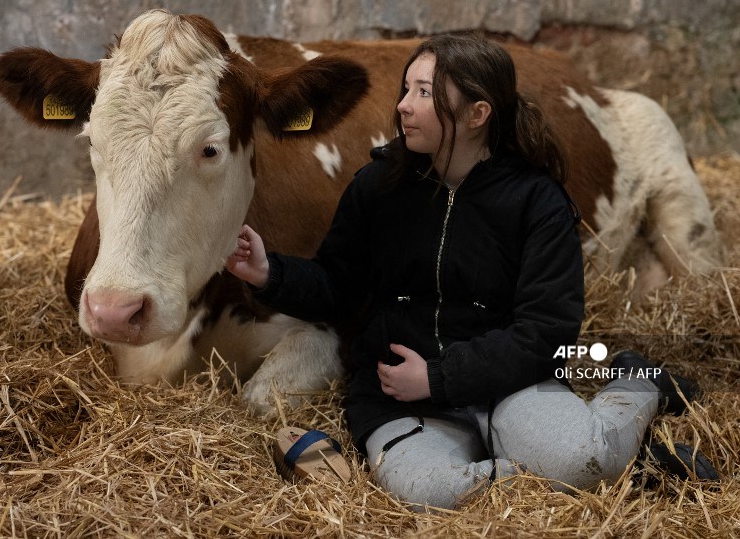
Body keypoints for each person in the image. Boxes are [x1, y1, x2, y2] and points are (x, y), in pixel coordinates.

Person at [227, 33, 701, 510]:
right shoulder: (377, 188)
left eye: (425, 93)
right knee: (426, 492)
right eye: (406, 89)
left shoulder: (538, 202)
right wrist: (269, 273)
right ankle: (621, 470)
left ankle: (635, 384)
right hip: (403, 402)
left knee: (582, 457)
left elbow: (547, 333)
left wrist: (439, 377)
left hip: (512, 387)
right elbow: (339, 287)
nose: (403, 107)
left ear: (478, 114)